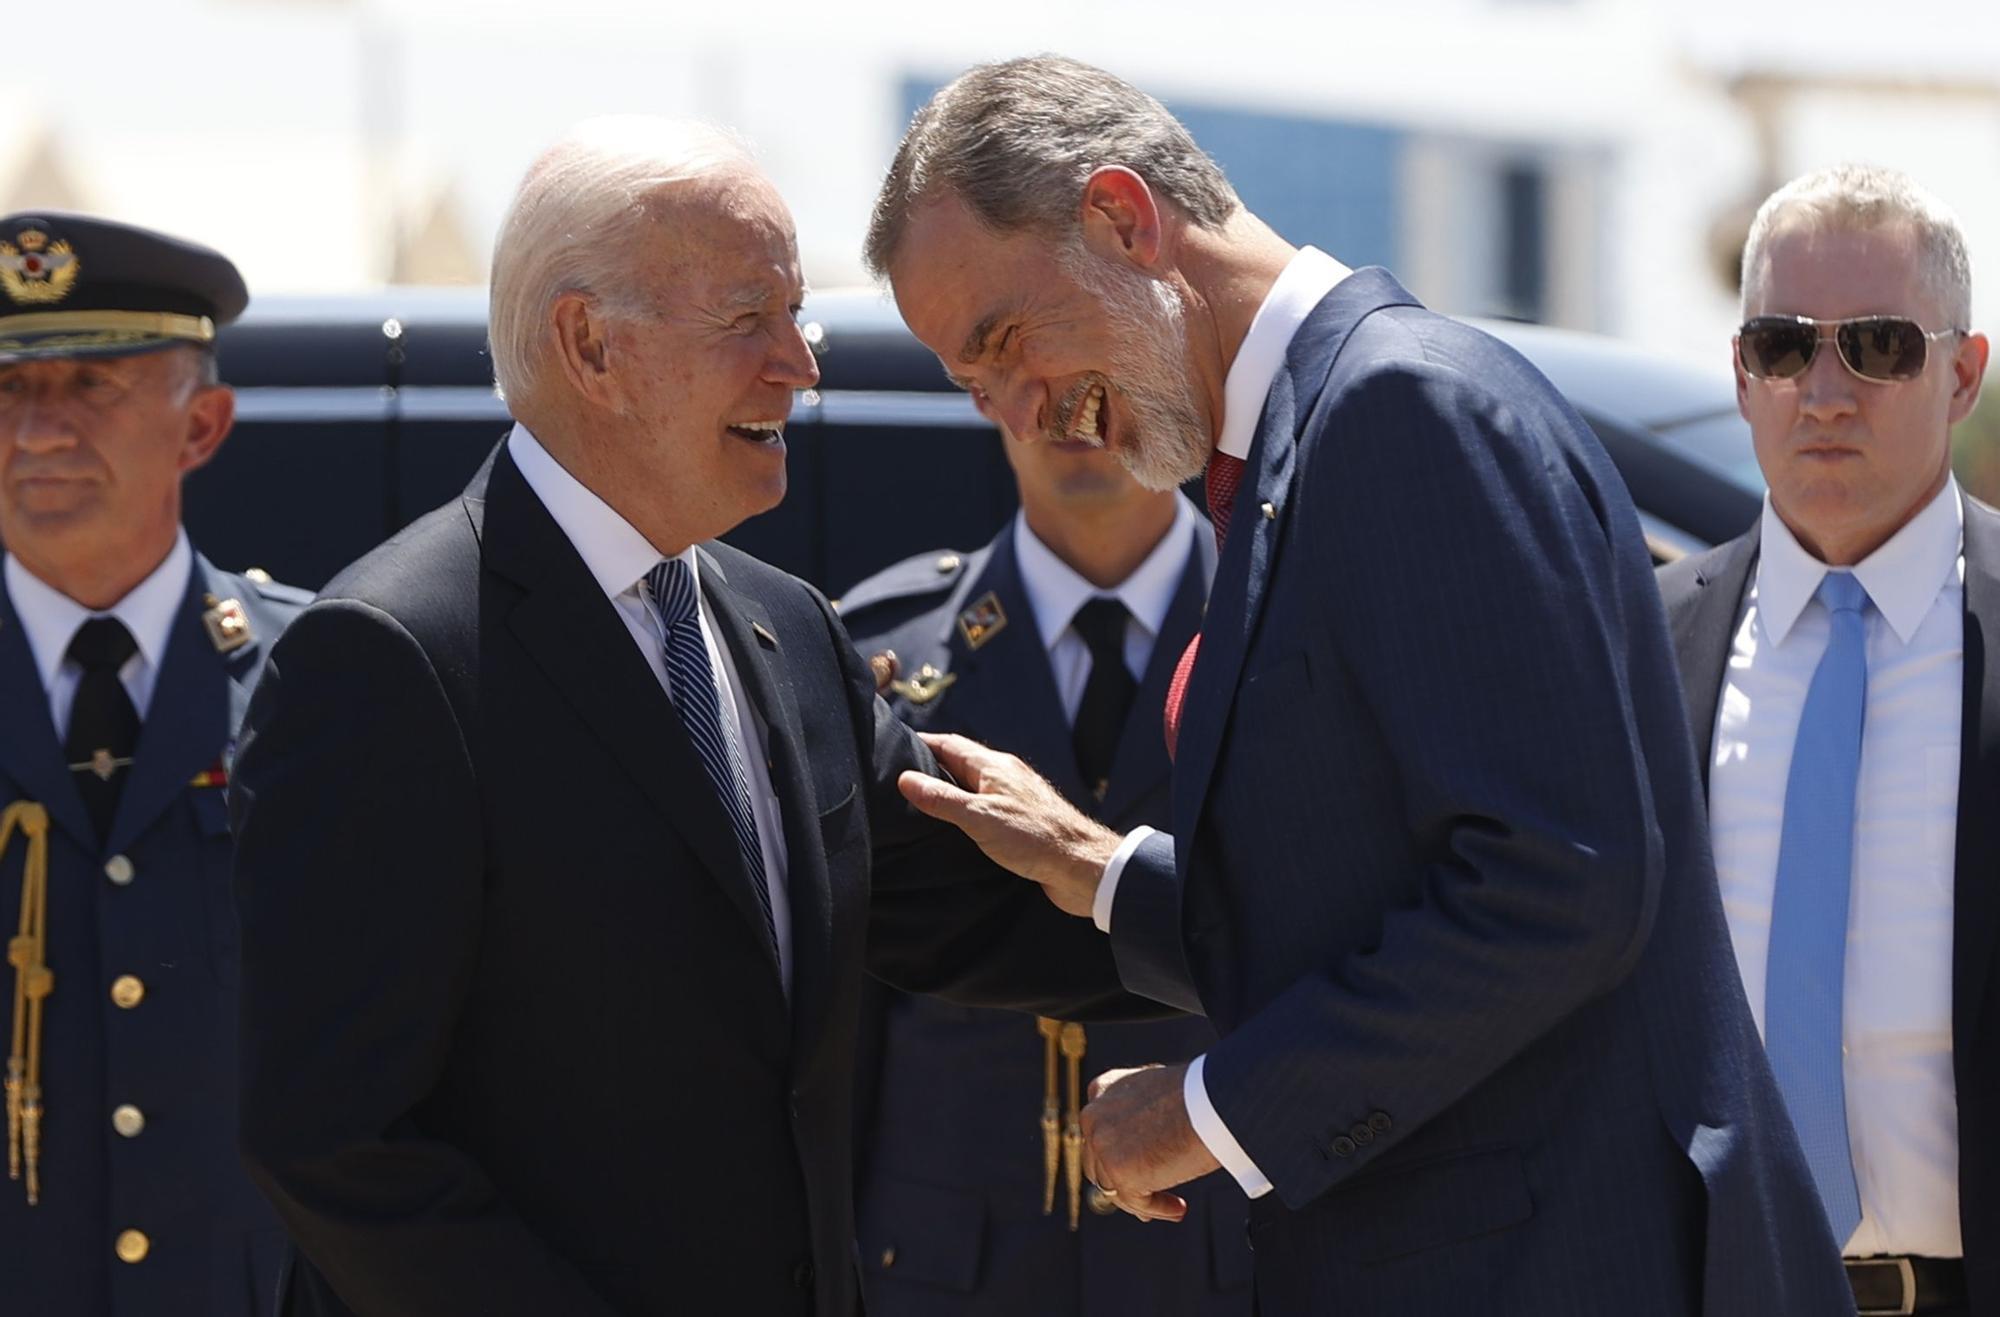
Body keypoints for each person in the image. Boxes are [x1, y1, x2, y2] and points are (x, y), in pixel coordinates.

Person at [863, 56, 1855, 1316]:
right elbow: (1373, 889)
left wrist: (1208, 1110)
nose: (1013, 410)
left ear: (1121, 216)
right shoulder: (1299, 442)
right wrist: (1101, 872)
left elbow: (1554, 884)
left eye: (1003, 343)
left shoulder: (1397, 413)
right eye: (971, 382)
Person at [227, 117, 1137, 1317]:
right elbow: (335, 1144)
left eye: (796, 316)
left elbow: (991, 921)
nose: (800, 366)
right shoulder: (391, 659)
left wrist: (1246, 912)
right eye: (747, 318)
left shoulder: (788, 632)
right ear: (589, 344)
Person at [1658, 165, 1992, 1317]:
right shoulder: (1644, 652)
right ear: (1742, 374)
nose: (1825, 391)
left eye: (1881, 346)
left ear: (1960, 373)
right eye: (1784, 346)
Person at [840, 426, 1249, 1315]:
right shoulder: (882, 650)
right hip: (943, 1271)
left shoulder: (1282, 626)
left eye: (1107, 374)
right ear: (984, 394)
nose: (1078, 414)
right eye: (1039, 372)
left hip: (1217, 1264)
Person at [0, 210, 306, 1315]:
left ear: (202, 425)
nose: (38, 432)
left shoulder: (320, 684)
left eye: (89, 387)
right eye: (7, 393)